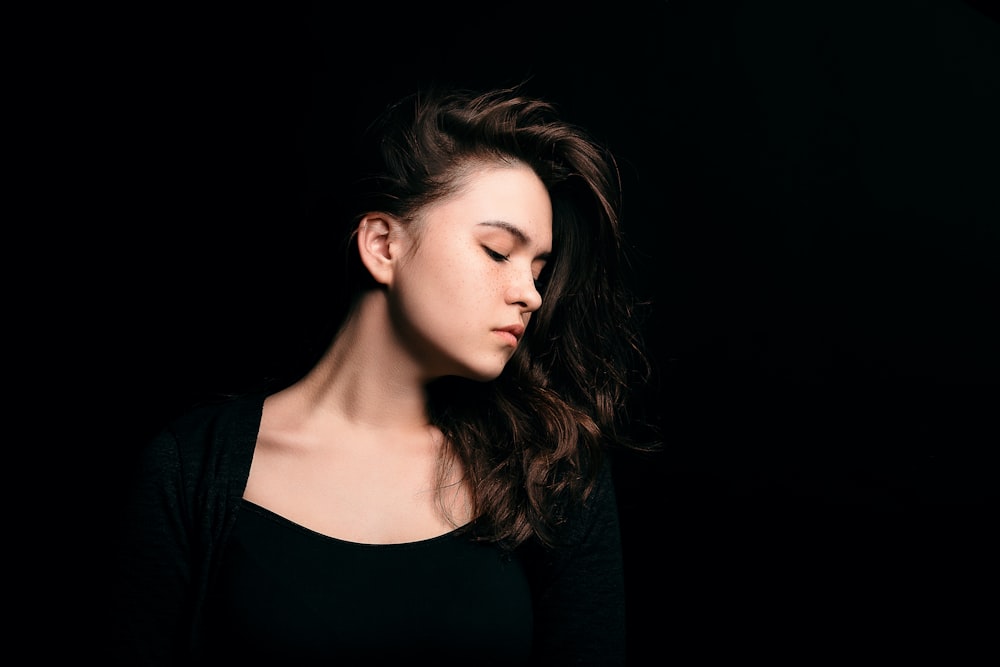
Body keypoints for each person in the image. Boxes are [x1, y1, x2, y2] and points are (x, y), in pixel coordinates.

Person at [111, 82, 654, 665]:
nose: (530, 296)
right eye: (498, 252)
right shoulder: (190, 469)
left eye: (538, 270)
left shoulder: (551, 467)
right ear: (383, 245)